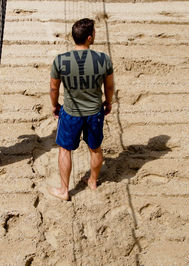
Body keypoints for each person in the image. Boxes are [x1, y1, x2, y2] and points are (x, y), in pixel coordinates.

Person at [48, 18, 114, 200]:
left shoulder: (61, 60)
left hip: (70, 112)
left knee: (64, 150)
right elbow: (109, 87)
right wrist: (109, 102)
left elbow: (54, 88)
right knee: (96, 148)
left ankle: (64, 190)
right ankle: (92, 181)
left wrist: (54, 105)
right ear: (90, 38)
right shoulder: (103, 59)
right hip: (95, 112)